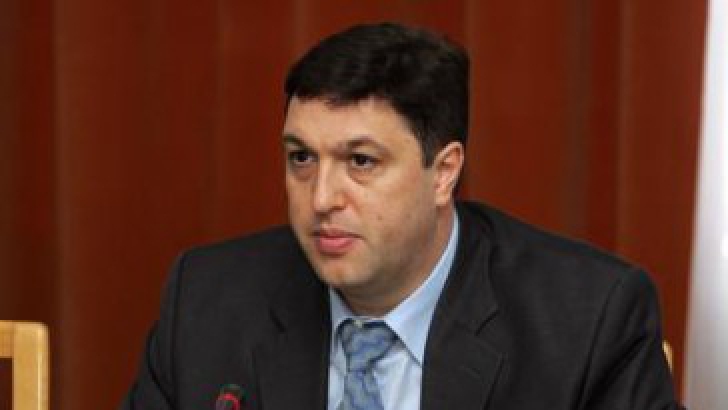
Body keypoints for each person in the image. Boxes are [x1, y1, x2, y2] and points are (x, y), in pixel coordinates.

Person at [121, 22, 681, 410]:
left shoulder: (587, 322)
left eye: (361, 162)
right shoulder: (208, 302)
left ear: (444, 172)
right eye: (302, 158)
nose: (321, 198)